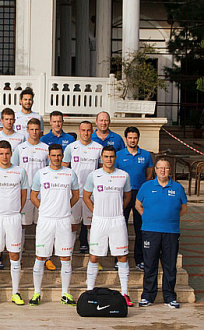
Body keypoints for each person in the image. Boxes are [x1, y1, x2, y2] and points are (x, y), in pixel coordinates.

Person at [83, 146, 134, 306]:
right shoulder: (94, 175)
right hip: (99, 220)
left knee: (122, 256)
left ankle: (125, 293)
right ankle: (89, 291)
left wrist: (119, 209)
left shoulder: (123, 176)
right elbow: (86, 196)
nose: (109, 159)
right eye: (106, 156)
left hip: (117, 220)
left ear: (115, 158)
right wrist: (96, 211)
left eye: (111, 156)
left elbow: (127, 196)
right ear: (101, 158)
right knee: (94, 256)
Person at [29, 144, 79, 306]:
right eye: (54, 155)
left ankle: (65, 293)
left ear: (62, 156)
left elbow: (76, 195)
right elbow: (33, 195)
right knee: (41, 256)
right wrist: (43, 208)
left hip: (64, 220)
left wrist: (64, 207)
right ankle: (37, 293)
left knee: (65, 257)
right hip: (45, 220)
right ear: (49, 156)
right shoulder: (41, 174)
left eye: (59, 155)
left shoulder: (70, 173)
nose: (56, 158)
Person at [136, 158, 187, 308]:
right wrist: (148, 217)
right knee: (150, 264)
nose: (162, 171)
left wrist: (169, 219)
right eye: (159, 168)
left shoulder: (177, 188)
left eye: (165, 168)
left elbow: (183, 209)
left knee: (170, 266)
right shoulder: (146, 187)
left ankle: (170, 296)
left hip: (170, 232)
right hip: (150, 232)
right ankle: (148, 296)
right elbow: (138, 205)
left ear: (169, 170)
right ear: (155, 170)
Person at [0, 141, 29, 305]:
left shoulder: (20, 171)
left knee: (14, 255)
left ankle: (15, 292)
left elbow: (24, 194)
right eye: (1, 153)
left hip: (13, 218)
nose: (4, 156)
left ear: (11, 154)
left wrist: (16, 210)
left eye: (7, 153)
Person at [12, 118, 56, 271]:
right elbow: (14, 170)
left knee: (43, 226)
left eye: (37, 129)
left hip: (42, 195)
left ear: (40, 130)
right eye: (31, 129)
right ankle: (19, 258)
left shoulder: (46, 148)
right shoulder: (20, 148)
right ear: (27, 130)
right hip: (24, 193)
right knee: (22, 226)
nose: (34, 132)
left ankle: (46, 258)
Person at [115, 126, 154, 271]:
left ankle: (140, 259)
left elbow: (149, 175)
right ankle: (118, 259)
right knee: (120, 227)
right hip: (123, 194)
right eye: (130, 138)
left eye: (135, 138)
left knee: (140, 227)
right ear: (125, 139)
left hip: (139, 195)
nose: (132, 140)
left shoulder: (146, 155)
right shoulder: (118, 155)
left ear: (138, 138)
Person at [61, 121, 103, 254]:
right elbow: (63, 169)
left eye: (88, 130)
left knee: (91, 225)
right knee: (72, 225)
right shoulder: (71, 147)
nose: (86, 133)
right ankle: (68, 254)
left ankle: (93, 255)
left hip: (91, 194)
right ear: (79, 131)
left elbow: (102, 170)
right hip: (74, 193)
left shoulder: (98, 148)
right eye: (83, 130)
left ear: (92, 131)